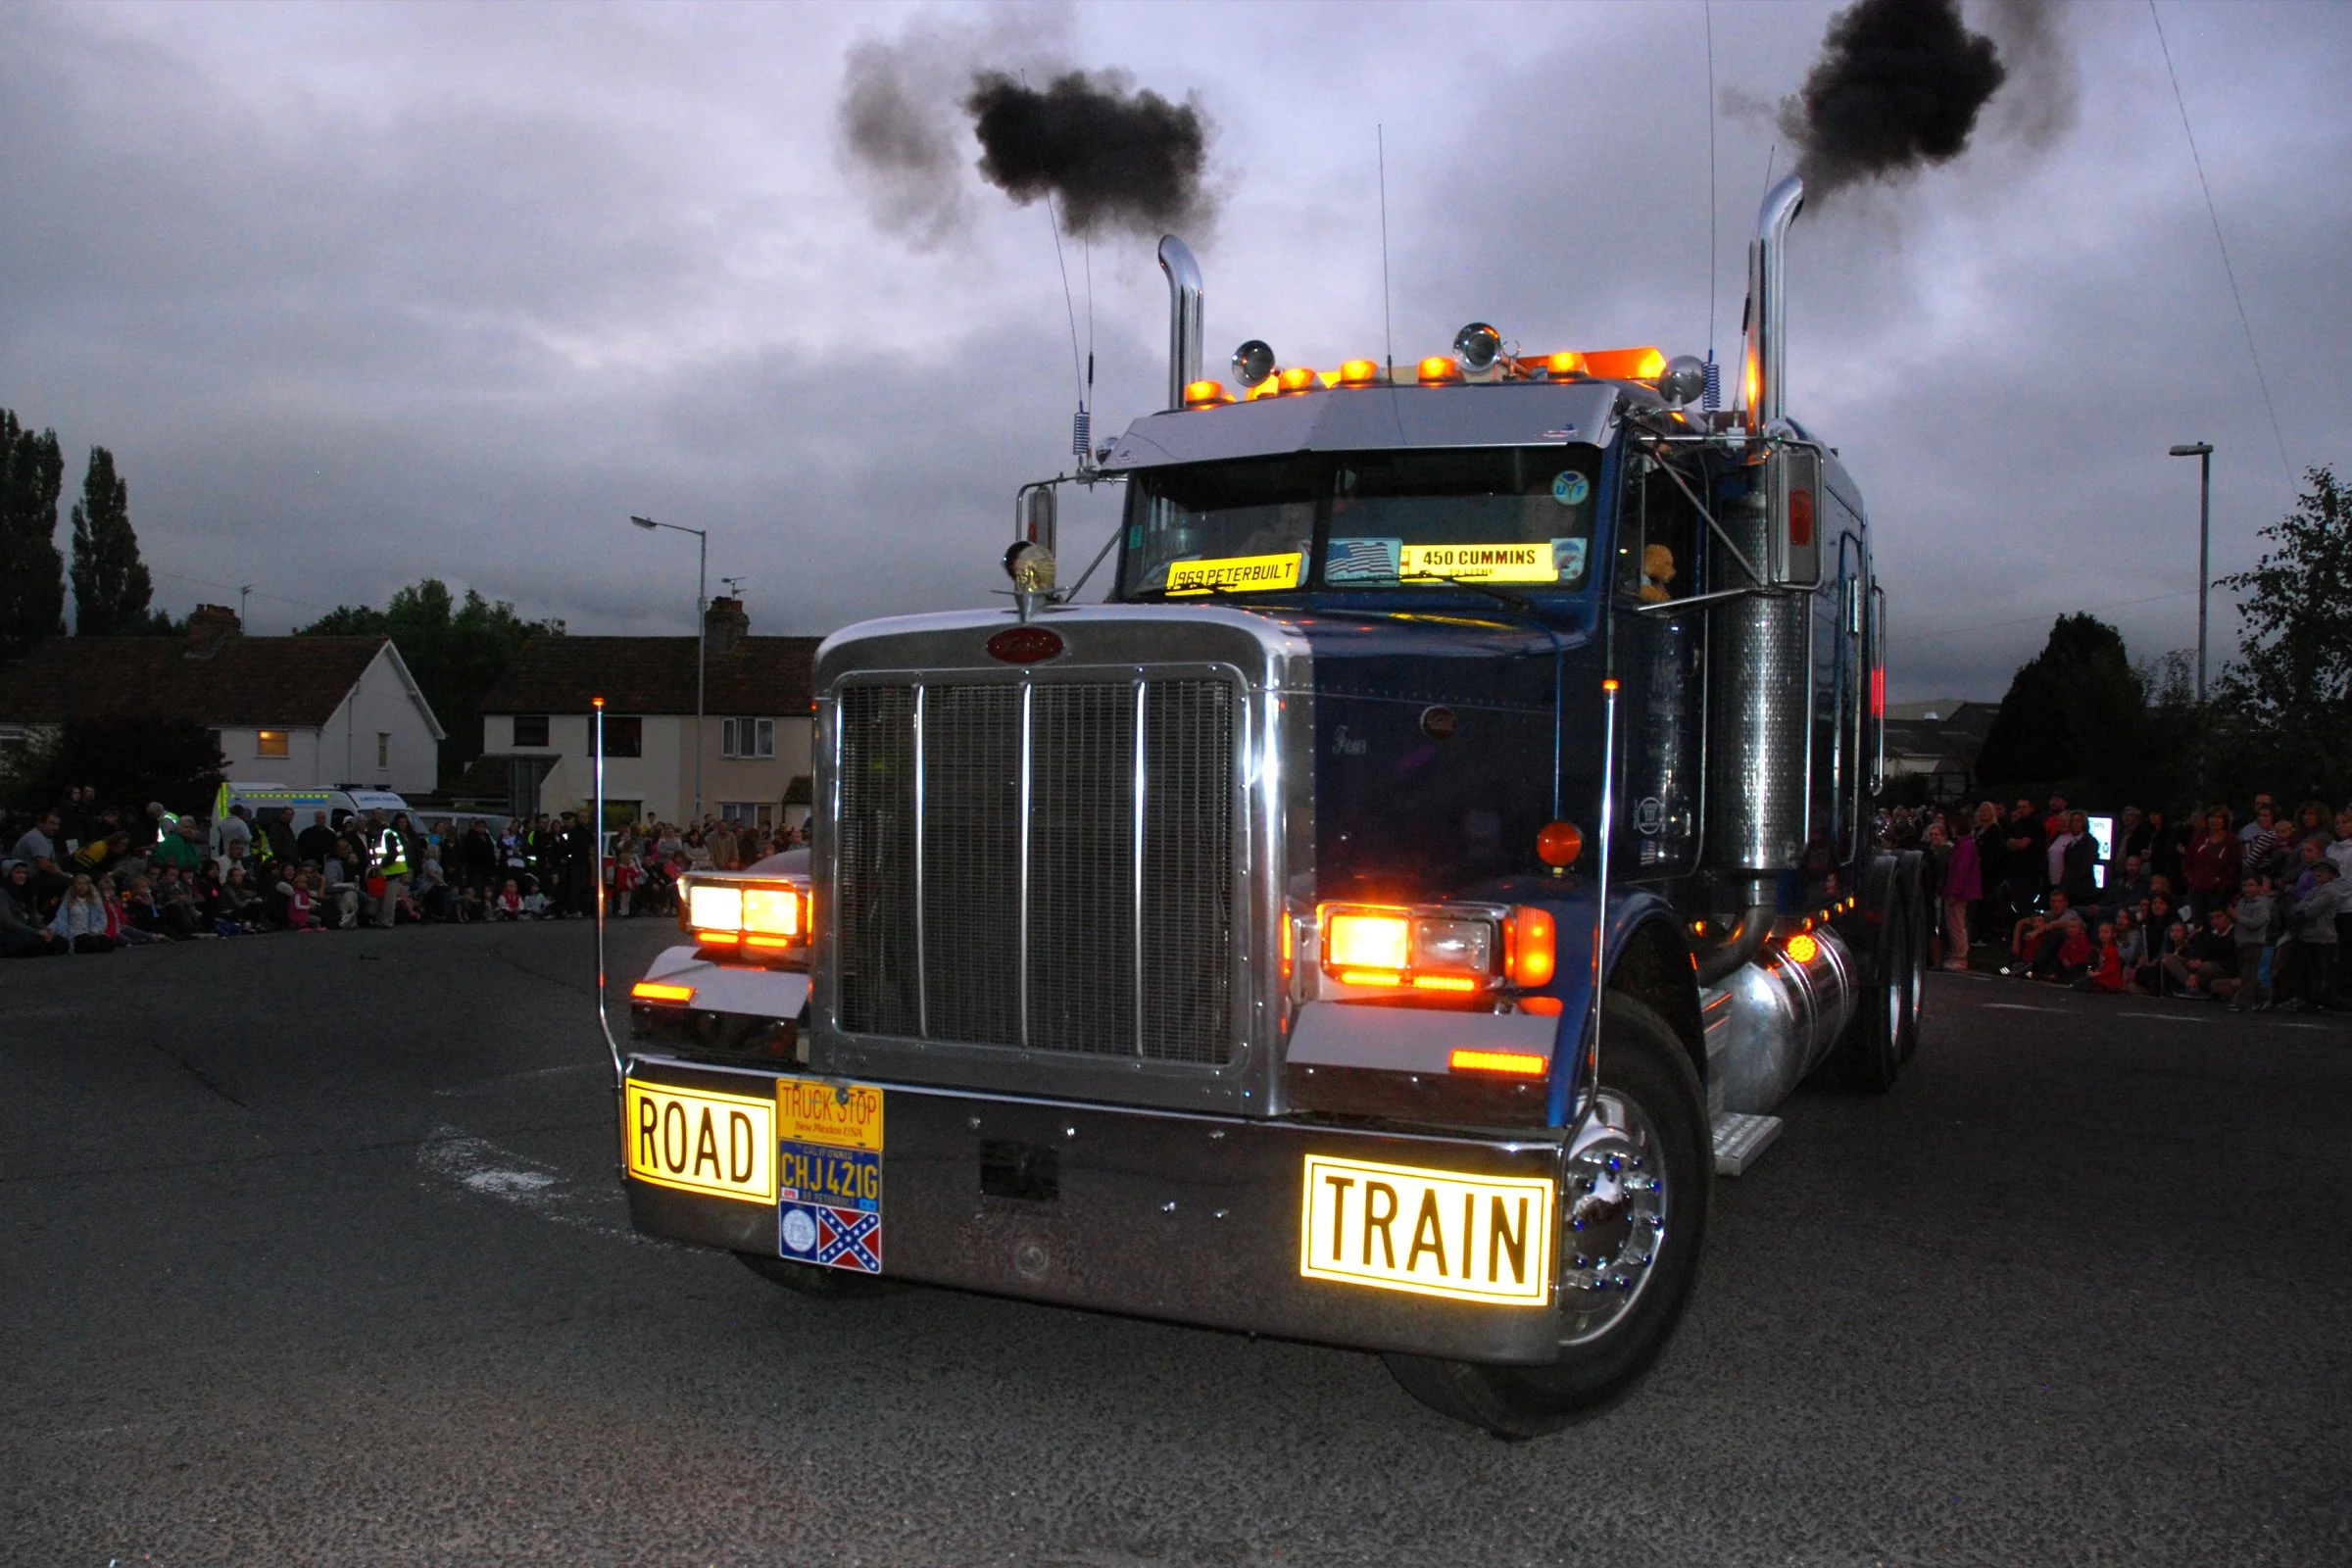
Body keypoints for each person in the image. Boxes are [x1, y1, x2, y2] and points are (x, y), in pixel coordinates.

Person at [2281, 860, 2344, 1012]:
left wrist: (2304, 907)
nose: (2318, 873)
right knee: (2312, 970)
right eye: (2317, 870)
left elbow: (2311, 910)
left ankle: (2322, 1001)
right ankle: (2312, 1000)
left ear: (2333, 874)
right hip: (2309, 935)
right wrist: (2304, 907)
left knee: (2322, 971)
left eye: (2323, 870)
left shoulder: (2331, 890)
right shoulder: (2316, 890)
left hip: (2323, 936)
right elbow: (2299, 906)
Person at [2217, 876, 2275, 1010]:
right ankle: (2261, 998)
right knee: (2246, 974)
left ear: (2259, 888)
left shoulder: (2261, 905)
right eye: (2244, 885)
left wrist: (2237, 916)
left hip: (2254, 943)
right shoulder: (2242, 902)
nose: (2247, 888)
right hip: (2242, 942)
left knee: (2249, 974)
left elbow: (2256, 923)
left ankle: (2245, 1002)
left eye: (2251, 885)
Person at [2164, 907, 2237, 998]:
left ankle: (2194, 987)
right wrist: (2194, 962)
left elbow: (2230, 959)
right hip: (2201, 963)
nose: (2215, 921)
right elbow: (2197, 949)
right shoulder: (2207, 933)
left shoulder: (2235, 934)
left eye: (2218, 916)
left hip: (2221, 968)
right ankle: (2191, 985)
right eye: (2211, 918)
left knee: (2206, 966)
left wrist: (2201, 961)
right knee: (2169, 959)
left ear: (2227, 917)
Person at [2183, 810, 2242, 924]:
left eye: (2218, 817)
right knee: (2199, 922)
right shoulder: (2199, 838)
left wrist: (2223, 881)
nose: (2214, 821)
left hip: (2219, 890)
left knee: (2216, 922)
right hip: (2197, 888)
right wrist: (2190, 878)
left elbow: (2235, 866)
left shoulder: (2231, 840)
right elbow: (2187, 861)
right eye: (2212, 817)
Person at [0, 862, 68, 956]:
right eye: (18, 873)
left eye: (24, 873)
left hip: (28, 930)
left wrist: (46, 930)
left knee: (60, 942)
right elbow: (8, 922)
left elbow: (33, 918)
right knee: (33, 946)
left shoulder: (26, 892)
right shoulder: (2, 893)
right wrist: (37, 932)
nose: (22, 876)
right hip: (10, 933)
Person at [49, 873, 116, 954]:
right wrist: (63, 933)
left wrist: (95, 931)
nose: (82, 886)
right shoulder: (67, 902)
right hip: (74, 933)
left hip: (92, 932)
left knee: (107, 943)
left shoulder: (96, 902)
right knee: (84, 942)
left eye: (85, 883)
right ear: (74, 886)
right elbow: (60, 918)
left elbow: (102, 919)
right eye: (79, 884)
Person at [2053, 809, 2099, 908]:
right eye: (2073, 821)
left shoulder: (2090, 841)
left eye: (2078, 821)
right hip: (2069, 888)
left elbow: (2086, 865)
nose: (2075, 823)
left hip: (2083, 888)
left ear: (2084, 823)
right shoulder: (2070, 844)